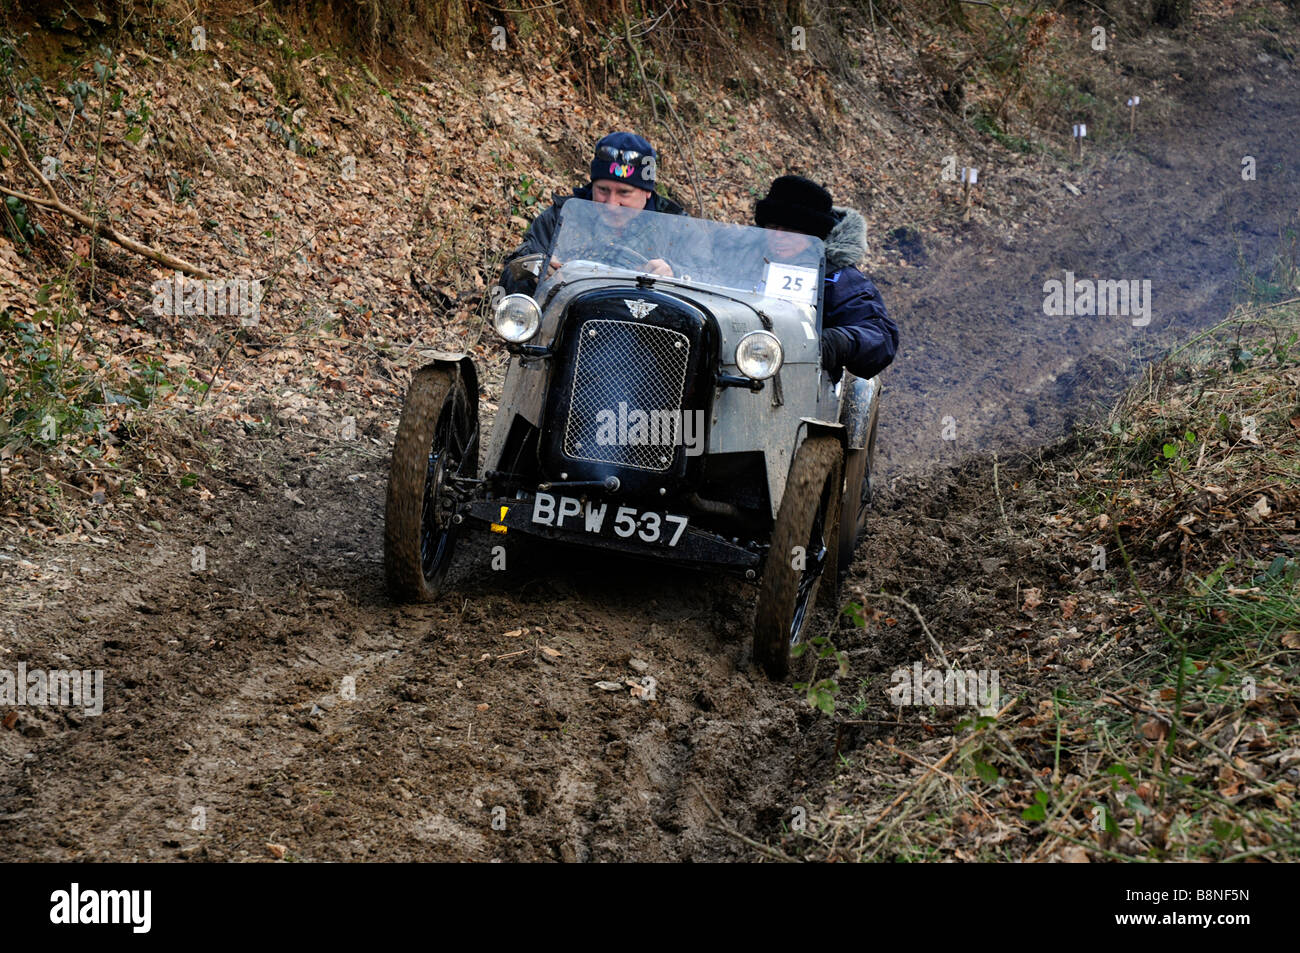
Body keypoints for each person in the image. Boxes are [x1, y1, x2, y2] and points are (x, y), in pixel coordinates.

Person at [499, 132, 686, 293]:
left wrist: (675, 273)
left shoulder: (677, 228)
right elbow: (510, 276)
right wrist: (536, 271)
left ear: (647, 192)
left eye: (624, 193)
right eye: (603, 190)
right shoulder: (560, 217)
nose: (611, 204)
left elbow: (710, 276)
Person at [755, 175, 897, 382]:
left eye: (790, 230)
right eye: (772, 227)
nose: (778, 237)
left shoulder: (836, 277)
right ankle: (690, 417)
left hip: (799, 380)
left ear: (815, 236)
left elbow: (880, 336)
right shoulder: (745, 258)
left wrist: (837, 341)